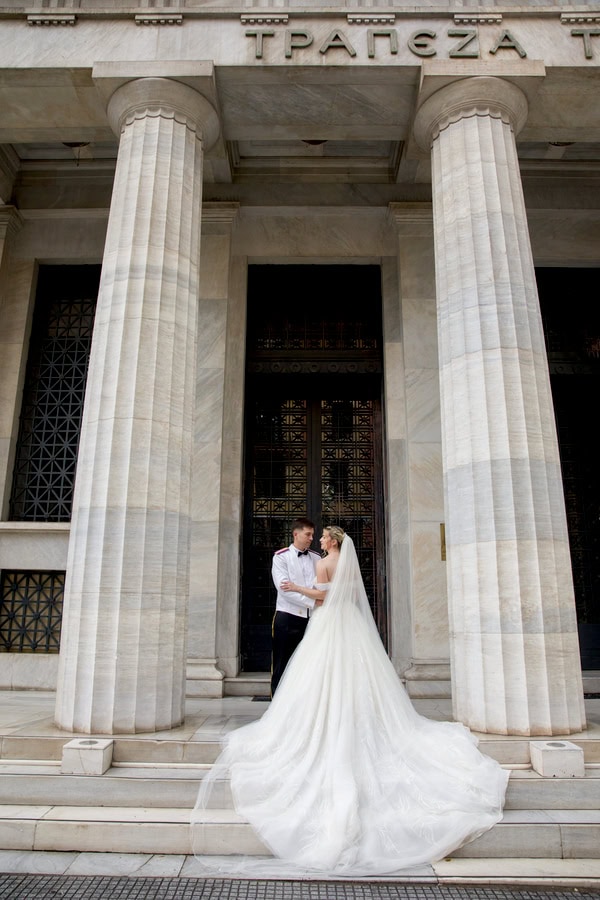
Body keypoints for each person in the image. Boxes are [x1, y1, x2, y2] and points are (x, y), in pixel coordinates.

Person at [192, 526, 510, 876]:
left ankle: (321, 722)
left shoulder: (324, 562)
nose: (319, 540)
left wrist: (300, 589)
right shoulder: (341, 561)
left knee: (317, 676)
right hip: (349, 624)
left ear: (331, 540)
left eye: (323, 536)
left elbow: (322, 597)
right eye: (315, 535)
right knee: (350, 676)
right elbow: (346, 596)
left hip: (326, 622)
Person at [270, 517, 320, 696]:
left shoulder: (316, 558)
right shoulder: (281, 557)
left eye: (312, 535)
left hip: (312, 619)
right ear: (295, 534)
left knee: (306, 664)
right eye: (308, 534)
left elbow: (319, 586)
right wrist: (313, 602)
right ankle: (276, 703)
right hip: (288, 616)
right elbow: (284, 589)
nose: (311, 538)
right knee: (282, 663)